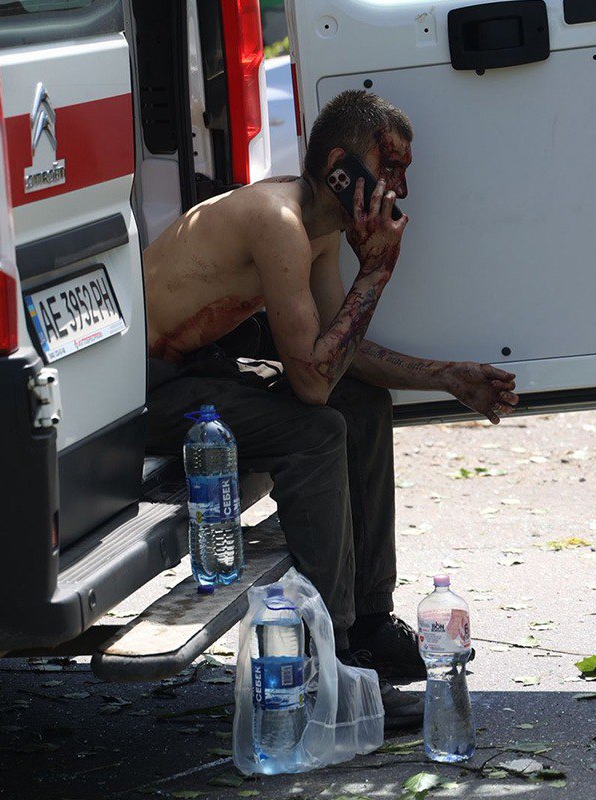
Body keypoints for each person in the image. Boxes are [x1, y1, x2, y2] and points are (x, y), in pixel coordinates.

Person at [144, 91, 519, 725]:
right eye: (390, 166)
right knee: (315, 432)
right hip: (152, 393)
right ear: (340, 167)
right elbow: (314, 387)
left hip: (203, 371)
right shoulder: (279, 223)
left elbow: (335, 356)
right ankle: (331, 663)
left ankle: (369, 620)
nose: (400, 187)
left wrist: (447, 377)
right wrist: (375, 275)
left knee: (362, 403)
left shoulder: (315, 230)